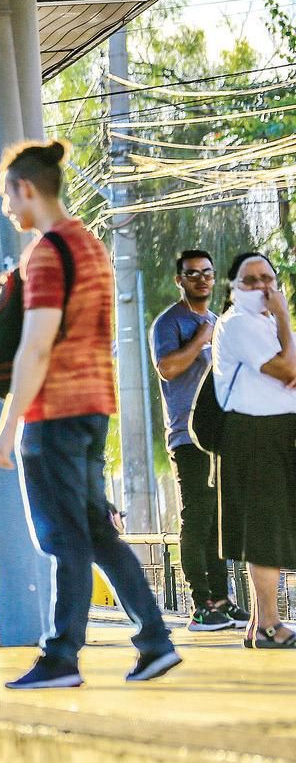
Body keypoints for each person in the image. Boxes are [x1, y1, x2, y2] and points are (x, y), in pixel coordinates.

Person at [0, 140, 179, 689]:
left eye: (6, 196)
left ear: (26, 188)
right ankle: (155, 641)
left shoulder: (46, 251)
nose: (5, 208)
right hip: (94, 407)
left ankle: (61, 656)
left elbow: (37, 344)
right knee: (95, 533)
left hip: (55, 411)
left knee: (63, 538)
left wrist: (7, 423)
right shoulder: (90, 244)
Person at [151, 249, 249, 630]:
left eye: (207, 274)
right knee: (197, 519)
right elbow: (168, 367)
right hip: (186, 436)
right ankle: (200, 605)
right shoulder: (169, 323)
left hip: (221, 436)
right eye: (192, 274)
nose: (201, 280)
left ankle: (222, 600)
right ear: (180, 280)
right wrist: (203, 338)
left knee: (218, 523)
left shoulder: (218, 321)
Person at [210, 252, 296, 650]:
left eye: (268, 278)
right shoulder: (239, 324)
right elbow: (288, 371)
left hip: (277, 430)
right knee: (264, 531)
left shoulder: (263, 324)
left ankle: (260, 623)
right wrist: (284, 317)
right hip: (254, 432)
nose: (262, 287)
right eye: (251, 280)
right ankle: (269, 626)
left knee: (272, 529)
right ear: (234, 287)